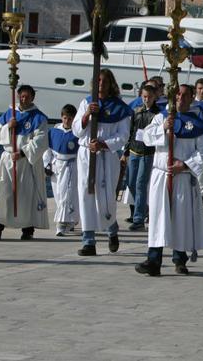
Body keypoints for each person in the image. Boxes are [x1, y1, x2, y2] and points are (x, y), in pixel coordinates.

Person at [135, 84, 203, 276]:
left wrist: (185, 165)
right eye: (178, 94)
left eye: (185, 95)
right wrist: (163, 128)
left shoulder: (197, 124)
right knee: (158, 217)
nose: (181, 98)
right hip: (161, 174)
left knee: (180, 218)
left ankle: (180, 259)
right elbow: (145, 137)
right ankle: (154, 260)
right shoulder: (162, 117)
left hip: (182, 177)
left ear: (191, 98)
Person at [73, 69, 133, 256]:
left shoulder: (120, 108)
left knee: (105, 196)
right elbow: (76, 130)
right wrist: (86, 116)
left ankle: (111, 229)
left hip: (106, 156)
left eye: (104, 82)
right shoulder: (86, 103)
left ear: (110, 84)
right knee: (86, 195)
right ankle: (88, 241)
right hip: (86, 155)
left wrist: (103, 144)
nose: (101, 85)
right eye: (97, 81)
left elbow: (123, 135)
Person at [0, 85, 49, 240]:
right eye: (21, 96)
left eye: (27, 96)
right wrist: (8, 128)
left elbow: (41, 141)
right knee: (4, 193)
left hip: (26, 162)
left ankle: (27, 230)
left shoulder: (39, 118)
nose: (23, 99)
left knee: (26, 195)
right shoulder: (9, 114)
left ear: (32, 97)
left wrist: (23, 153)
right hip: (8, 159)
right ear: (18, 96)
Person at [122, 84, 160, 231]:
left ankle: (138, 218)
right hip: (134, 150)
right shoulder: (136, 111)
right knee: (131, 183)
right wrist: (125, 151)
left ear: (154, 97)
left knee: (140, 184)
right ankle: (144, 208)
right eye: (144, 96)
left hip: (147, 153)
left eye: (149, 97)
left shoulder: (157, 114)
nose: (147, 99)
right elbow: (131, 131)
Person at [44, 104, 80, 236]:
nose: (67, 121)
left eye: (70, 118)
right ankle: (71, 220)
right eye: (65, 118)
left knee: (67, 195)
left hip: (71, 165)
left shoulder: (78, 133)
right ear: (61, 117)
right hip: (55, 166)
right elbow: (47, 149)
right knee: (59, 195)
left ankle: (61, 224)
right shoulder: (54, 131)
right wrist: (46, 164)